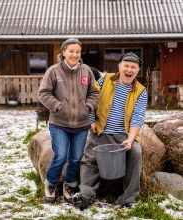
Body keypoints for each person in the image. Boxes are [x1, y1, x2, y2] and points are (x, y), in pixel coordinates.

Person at [72, 52, 148, 210]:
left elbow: (138, 117)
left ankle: (129, 198)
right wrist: (91, 120)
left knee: (136, 153)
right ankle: (85, 195)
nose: (129, 69)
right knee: (90, 158)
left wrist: (131, 138)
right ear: (119, 67)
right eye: (126, 66)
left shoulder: (141, 91)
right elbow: (92, 98)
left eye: (133, 67)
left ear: (138, 70)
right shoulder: (105, 80)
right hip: (102, 131)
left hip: (124, 135)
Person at [37, 38, 99, 203]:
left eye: (77, 52)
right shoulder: (54, 71)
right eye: (71, 51)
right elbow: (43, 93)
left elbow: (94, 93)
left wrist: (88, 106)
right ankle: (50, 184)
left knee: (76, 158)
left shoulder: (86, 71)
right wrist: (57, 106)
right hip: (59, 124)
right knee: (61, 156)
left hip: (81, 124)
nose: (74, 54)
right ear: (63, 52)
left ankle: (70, 185)